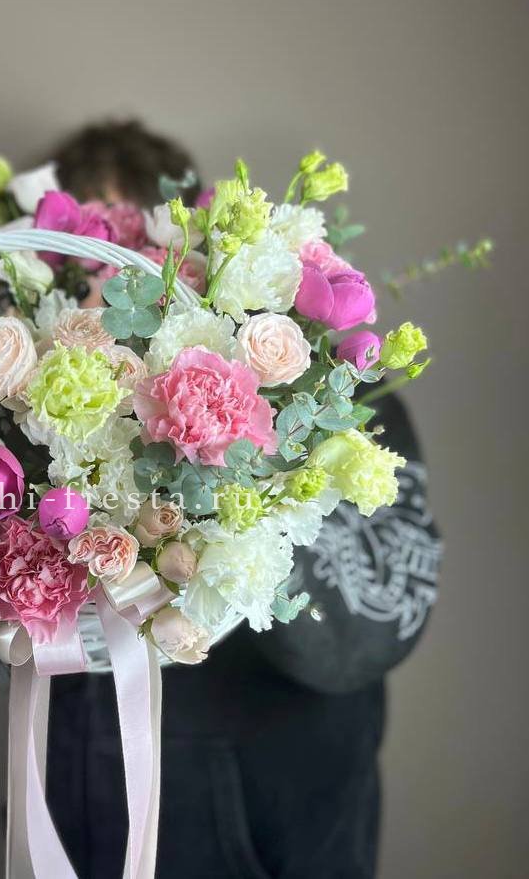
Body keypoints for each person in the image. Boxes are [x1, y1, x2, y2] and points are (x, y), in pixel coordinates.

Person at [40, 119, 443, 878]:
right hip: (78, 805)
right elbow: (15, 654)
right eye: (72, 265)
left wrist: (230, 473)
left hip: (271, 822)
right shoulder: (41, 410)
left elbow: (368, 637)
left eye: (123, 255)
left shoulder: (335, 402)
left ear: (187, 255)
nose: (101, 289)